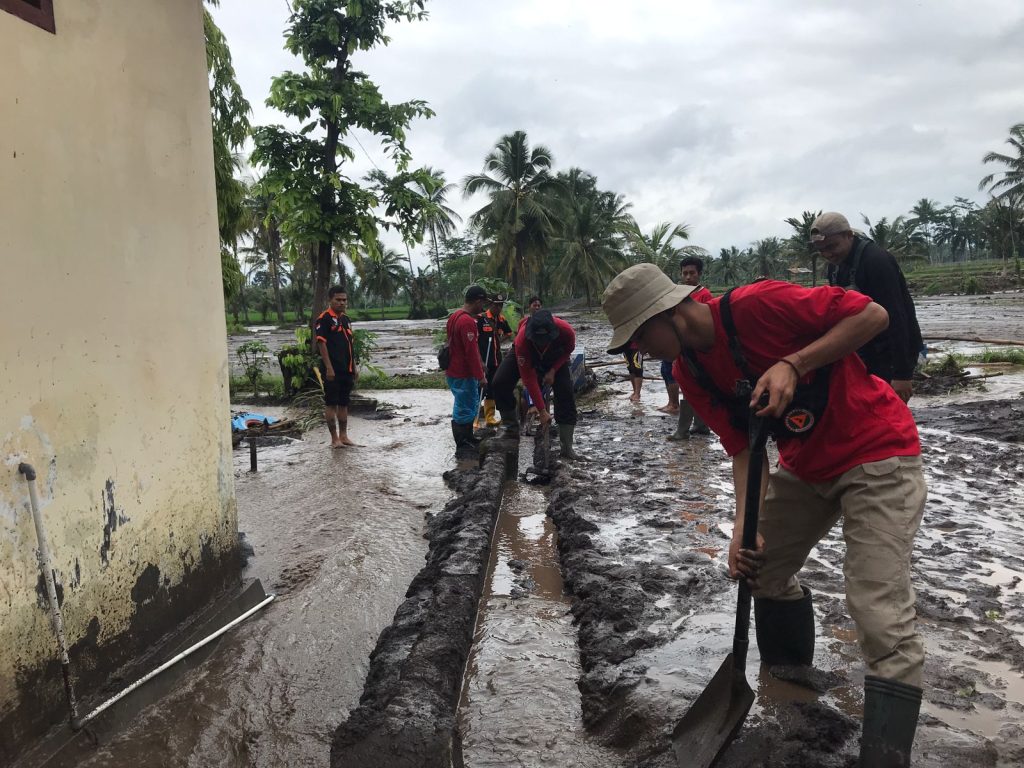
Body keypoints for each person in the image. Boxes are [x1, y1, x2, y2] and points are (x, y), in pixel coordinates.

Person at [602, 263, 927, 766]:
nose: (638, 352)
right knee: (761, 568)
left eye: (638, 338)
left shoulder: (759, 305)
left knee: (878, 608)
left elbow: (874, 315)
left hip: (878, 452)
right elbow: (743, 451)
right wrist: (743, 531)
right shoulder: (691, 371)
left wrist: (794, 364)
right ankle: (792, 680)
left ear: (666, 314)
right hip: (806, 467)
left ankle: (886, 757)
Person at [812, 212, 924, 403]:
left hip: (889, 354)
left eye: (832, 246)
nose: (828, 254)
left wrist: (902, 374)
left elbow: (898, 316)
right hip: (865, 351)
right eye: (821, 250)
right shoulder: (835, 266)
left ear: (848, 235)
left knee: (889, 413)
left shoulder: (876, 261)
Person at [492, 309, 580, 459]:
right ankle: (511, 429)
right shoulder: (522, 340)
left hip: (556, 357)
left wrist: (553, 370)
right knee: (499, 383)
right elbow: (529, 378)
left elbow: (568, 350)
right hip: (528, 354)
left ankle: (567, 447)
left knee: (565, 393)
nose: (541, 343)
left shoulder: (566, 330)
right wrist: (542, 411)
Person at [666, 256, 713, 440]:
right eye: (684, 273)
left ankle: (684, 430)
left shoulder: (704, 295)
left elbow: (707, 322)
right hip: (683, 347)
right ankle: (700, 426)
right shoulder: (678, 296)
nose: (687, 277)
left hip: (698, 348)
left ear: (699, 274)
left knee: (693, 388)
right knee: (690, 386)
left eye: (691, 273)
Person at [445, 286, 488, 458]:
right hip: (463, 372)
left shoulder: (455, 316)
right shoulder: (467, 322)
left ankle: (468, 438)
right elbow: (470, 351)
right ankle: (463, 445)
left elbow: (466, 347)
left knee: (464, 405)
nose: (482, 308)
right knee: (466, 407)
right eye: (482, 303)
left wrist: (480, 364)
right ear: (477, 301)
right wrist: (481, 376)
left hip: (454, 370)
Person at [315, 286, 358, 448]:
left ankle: (344, 436)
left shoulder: (346, 320)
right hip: (332, 370)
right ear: (330, 300)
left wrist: (354, 366)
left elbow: (350, 345)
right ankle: (334, 439)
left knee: (344, 402)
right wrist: (329, 368)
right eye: (338, 300)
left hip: (346, 368)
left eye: (344, 300)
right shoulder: (324, 318)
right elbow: (321, 343)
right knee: (331, 403)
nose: (342, 303)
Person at [477, 294, 513, 426]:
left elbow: (509, 333)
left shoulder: (501, 320)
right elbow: (474, 340)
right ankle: (474, 417)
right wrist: (479, 361)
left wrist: (499, 340)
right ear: (490, 305)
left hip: (496, 360)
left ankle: (489, 417)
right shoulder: (481, 319)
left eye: (501, 305)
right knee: (479, 389)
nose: (498, 307)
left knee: (492, 388)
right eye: (496, 305)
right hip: (483, 360)